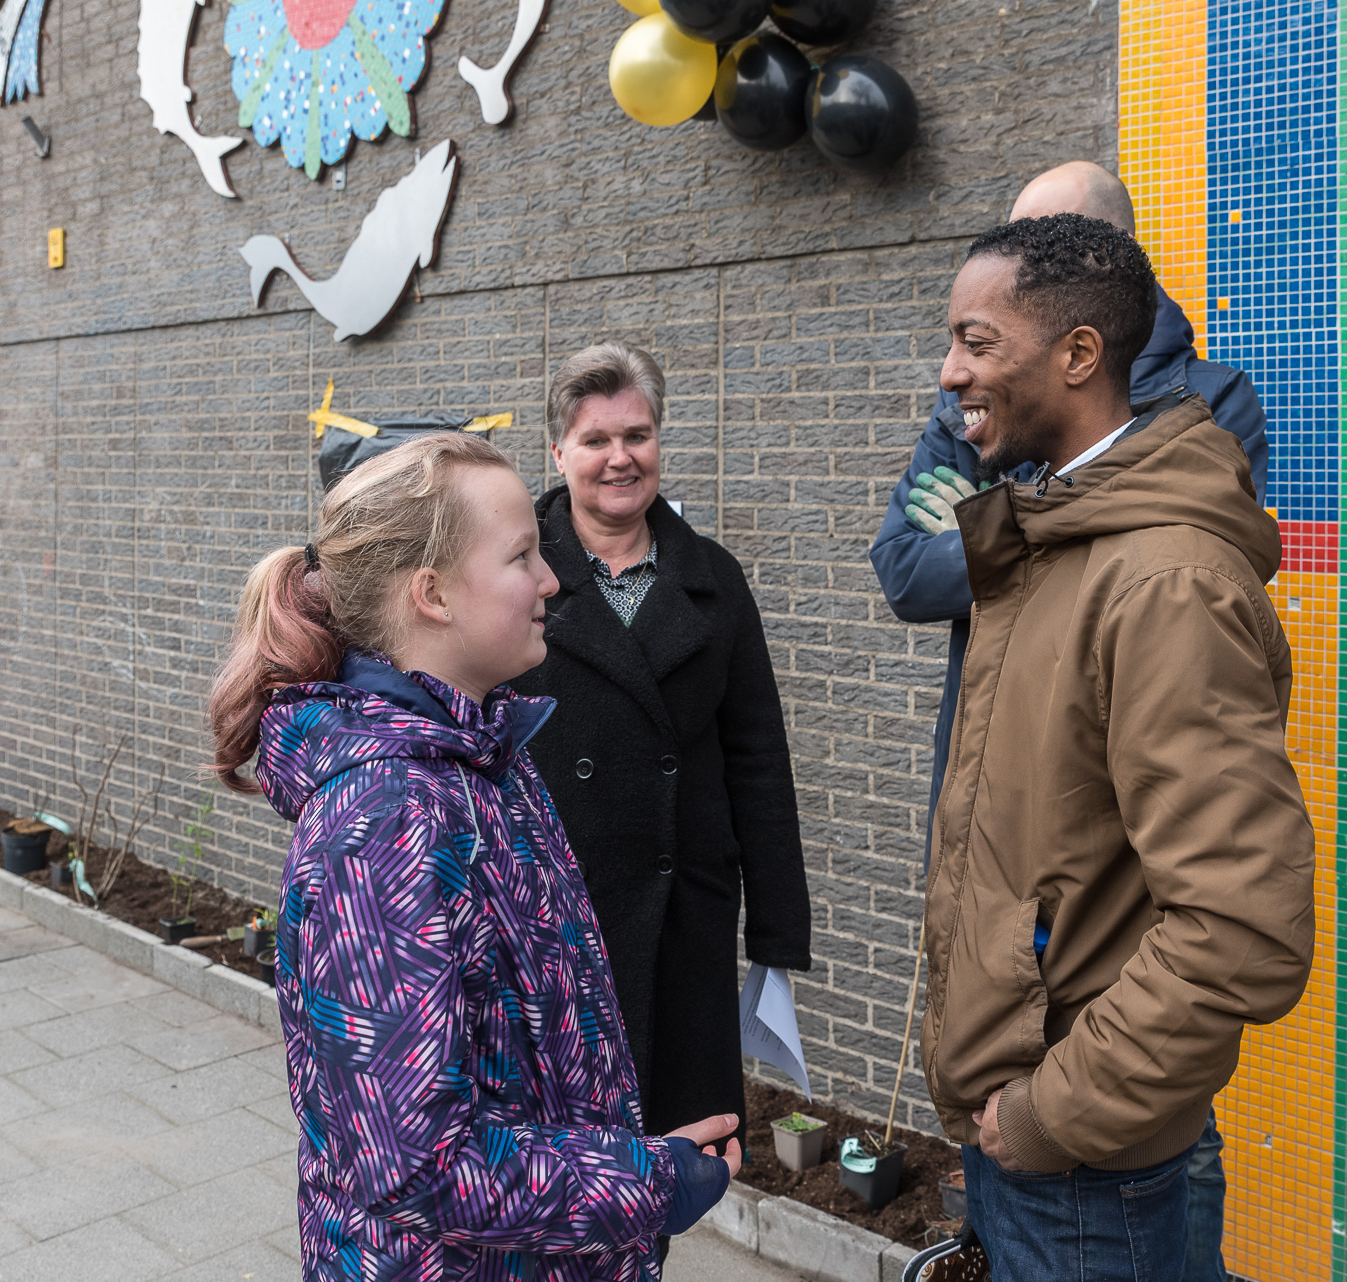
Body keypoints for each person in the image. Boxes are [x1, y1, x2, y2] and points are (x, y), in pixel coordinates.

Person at [207, 432, 743, 1281]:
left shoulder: (485, 757)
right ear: (432, 595)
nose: (552, 580)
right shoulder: (383, 822)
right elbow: (416, 1166)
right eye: (522, 556)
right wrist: (648, 1184)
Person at [870, 161, 1266, 1282]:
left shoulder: (1170, 570)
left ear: (1083, 343)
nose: (949, 377)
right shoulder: (1041, 498)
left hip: (1075, 1137)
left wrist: (1058, 1109)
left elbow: (1234, 924)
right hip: (1019, 1087)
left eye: (978, 340)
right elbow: (906, 569)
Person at [511, 343, 812, 1147]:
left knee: (677, 1153)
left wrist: (777, 931)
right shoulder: (511, 572)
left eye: (637, 436)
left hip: (684, 916)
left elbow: (757, 757)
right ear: (558, 451)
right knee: (565, 1159)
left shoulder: (714, 578)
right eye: (596, 440)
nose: (620, 458)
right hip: (551, 916)